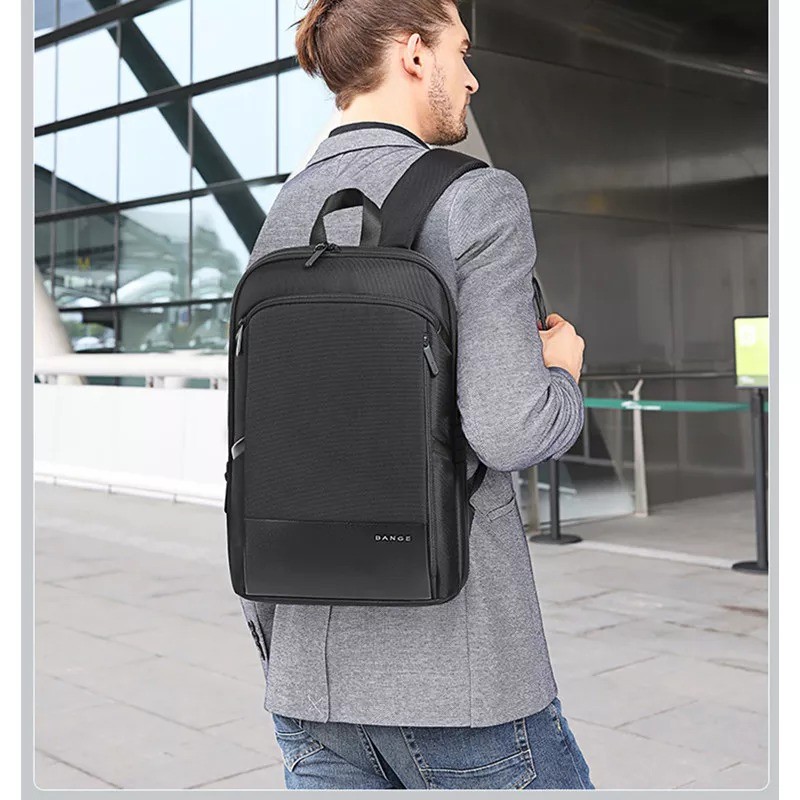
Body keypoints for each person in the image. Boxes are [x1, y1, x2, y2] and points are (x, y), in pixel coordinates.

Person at [238, 0, 591, 790]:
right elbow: (510, 429)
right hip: (461, 682)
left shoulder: (284, 213)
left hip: (307, 687)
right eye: (461, 51)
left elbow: (258, 451)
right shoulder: (478, 198)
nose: (471, 79)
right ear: (413, 53)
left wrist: (277, 649)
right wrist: (563, 373)